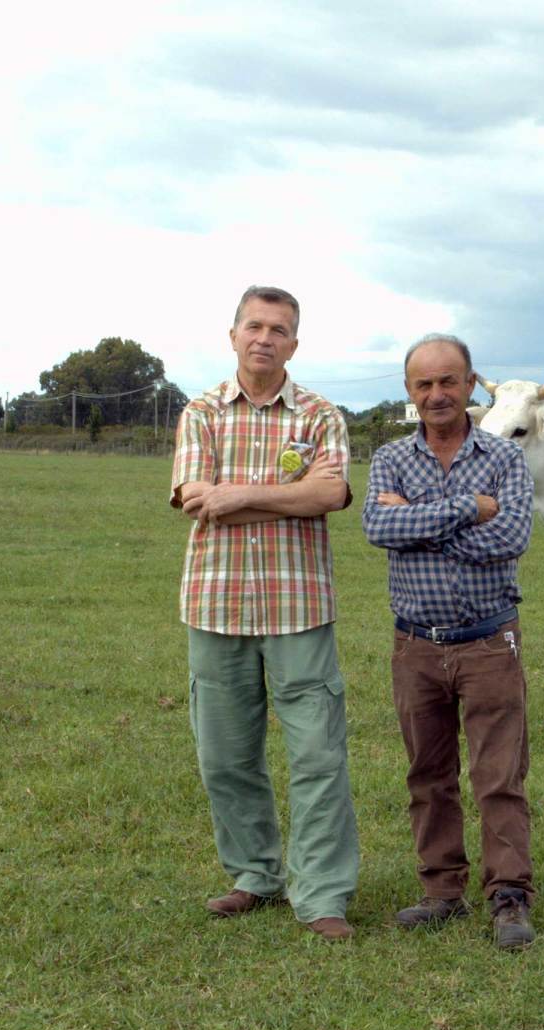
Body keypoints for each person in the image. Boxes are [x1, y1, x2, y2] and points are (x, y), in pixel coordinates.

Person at [171, 285, 359, 941]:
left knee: (318, 756)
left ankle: (323, 895)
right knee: (225, 757)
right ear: (233, 336)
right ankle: (254, 875)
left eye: (279, 329)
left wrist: (238, 496)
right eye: (254, 326)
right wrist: (287, 495)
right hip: (214, 604)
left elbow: (331, 492)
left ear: (294, 344)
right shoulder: (200, 413)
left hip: (298, 607)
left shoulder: (319, 415)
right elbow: (195, 497)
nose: (265, 338)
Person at [361, 333, 537, 950]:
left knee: (499, 775)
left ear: (469, 384)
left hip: (489, 642)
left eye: (448, 381)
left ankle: (508, 896)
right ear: (409, 392)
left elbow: (511, 537)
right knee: (427, 774)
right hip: (416, 647)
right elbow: (378, 525)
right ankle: (442, 891)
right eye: (423, 384)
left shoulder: (506, 459)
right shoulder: (389, 458)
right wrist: (469, 509)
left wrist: (422, 520)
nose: (436, 394)